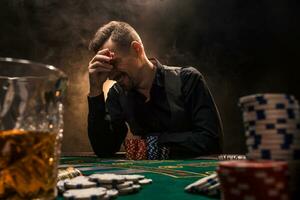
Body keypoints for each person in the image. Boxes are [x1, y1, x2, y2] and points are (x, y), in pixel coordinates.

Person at [87, 21, 223, 158]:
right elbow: (104, 149)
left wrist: (151, 143)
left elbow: (211, 141)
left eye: (113, 63)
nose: (110, 75)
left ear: (136, 49)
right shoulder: (116, 94)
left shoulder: (187, 79)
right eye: (105, 66)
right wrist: (95, 90)